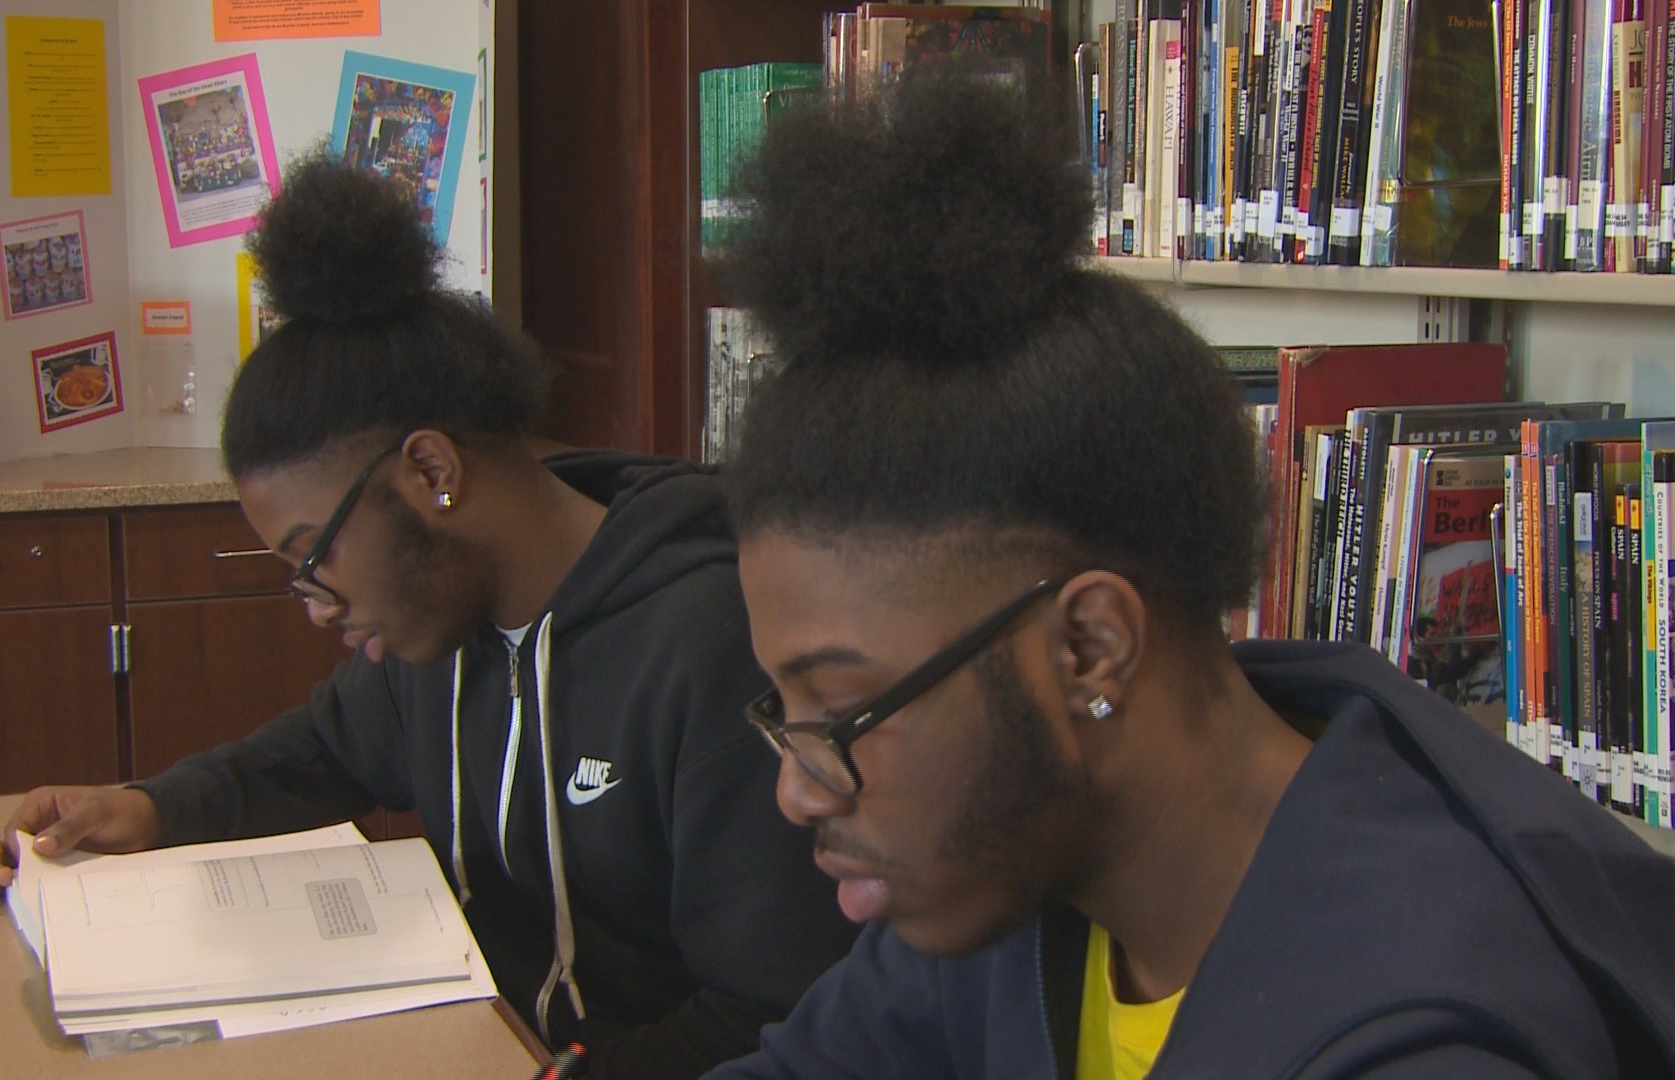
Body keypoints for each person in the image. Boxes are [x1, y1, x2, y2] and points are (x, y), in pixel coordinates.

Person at [701, 72, 1675, 1079]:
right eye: (788, 714)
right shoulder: (1005, 875)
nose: (799, 793)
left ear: (1090, 650)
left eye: (843, 715)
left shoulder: (1428, 1034)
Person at [0, 152, 857, 1079]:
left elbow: (770, 1014)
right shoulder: (441, 631)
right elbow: (325, 748)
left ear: (433, 473)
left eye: (316, 558)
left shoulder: (710, 643)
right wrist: (148, 806)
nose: (317, 609)